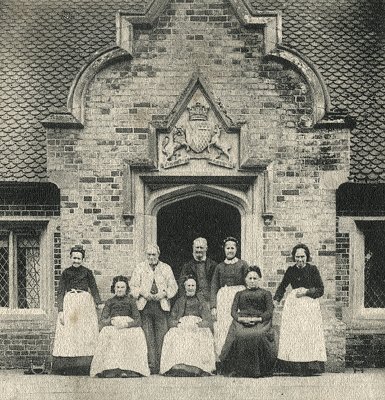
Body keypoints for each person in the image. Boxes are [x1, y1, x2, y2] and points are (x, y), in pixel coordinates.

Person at [274, 243, 327, 376]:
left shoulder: (313, 269)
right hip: (294, 305)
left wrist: (307, 292)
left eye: (302, 256)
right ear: (294, 257)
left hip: (309, 305)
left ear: (307, 257)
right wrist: (276, 300)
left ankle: (311, 367)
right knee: (295, 334)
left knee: (308, 333)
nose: (300, 259)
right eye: (297, 257)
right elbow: (282, 286)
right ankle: (295, 367)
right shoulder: (291, 271)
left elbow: (320, 289)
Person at [52, 245, 103, 375]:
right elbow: (60, 292)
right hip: (70, 302)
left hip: (85, 303)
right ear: (70, 258)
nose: (76, 261)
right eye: (74, 258)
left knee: (84, 333)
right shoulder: (66, 273)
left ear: (82, 259)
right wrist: (61, 311)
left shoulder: (87, 272)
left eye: (79, 258)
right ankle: (68, 367)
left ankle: (85, 366)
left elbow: (94, 288)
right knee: (70, 333)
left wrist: (98, 303)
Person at [130, 244, 178, 374]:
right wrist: (143, 293)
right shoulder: (140, 268)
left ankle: (162, 366)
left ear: (158, 254)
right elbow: (133, 286)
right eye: (149, 255)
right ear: (146, 255)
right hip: (145, 306)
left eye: (154, 255)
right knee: (147, 336)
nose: (151, 257)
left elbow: (173, 286)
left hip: (161, 306)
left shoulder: (166, 268)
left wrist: (164, 294)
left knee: (162, 335)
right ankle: (151, 366)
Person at [220, 266, 276, 377]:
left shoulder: (266, 294)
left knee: (257, 334)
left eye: (255, 278)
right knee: (239, 334)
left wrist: (258, 319)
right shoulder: (239, 294)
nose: (252, 281)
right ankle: (239, 370)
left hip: (260, 321)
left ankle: (259, 370)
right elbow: (233, 311)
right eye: (249, 278)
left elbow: (269, 311)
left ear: (259, 279)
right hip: (242, 321)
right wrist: (241, 319)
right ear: (245, 280)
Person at [90, 275, 150, 378]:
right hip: (114, 325)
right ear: (114, 288)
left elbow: (138, 320)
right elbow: (103, 319)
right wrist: (112, 321)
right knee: (107, 335)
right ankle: (112, 369)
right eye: (118, 287)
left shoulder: (131, 301)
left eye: (122, 287)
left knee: (134, 335)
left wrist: (127, 324)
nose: (120, 290)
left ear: (126, 289)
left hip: (127, 326)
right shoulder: (110, 302)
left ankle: (128, 369)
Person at [160, 275, 216, 377]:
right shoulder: (179, 301)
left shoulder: (202, 301)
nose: (190, 288)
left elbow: (207, 319)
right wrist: (178, 324)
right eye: (188, 285)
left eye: (193, 285)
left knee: (198, 338)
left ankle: (196, 367)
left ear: (196, 287)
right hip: (182, 324)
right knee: (172, 336)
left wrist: (199, 325)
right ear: (184, 287)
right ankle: (178, 365)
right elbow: (172, 318)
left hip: (197, 325)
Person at [210, 237, 249, 357]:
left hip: (238, 297)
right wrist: (213, 306)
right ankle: (223, 358)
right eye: (228, 248)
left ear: (236, 249)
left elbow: (248, 282)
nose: (230, 250)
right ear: (224, 250)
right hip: (223, 299)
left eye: (232, 248)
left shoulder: (243, 264)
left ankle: (239, 357)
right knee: (223, 327)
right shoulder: (219, 267)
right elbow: (214, 286)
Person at [178, 237, 217, 303]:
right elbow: (181, 285)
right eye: (197, 247)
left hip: (210, 301)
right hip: (194, 302)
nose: (199, 250)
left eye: (201, 248)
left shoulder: (213, 265)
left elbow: (217, 285)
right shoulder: (187, 266)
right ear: (193, 248)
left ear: (206, 249)